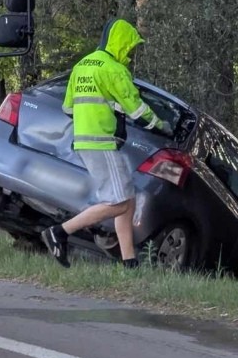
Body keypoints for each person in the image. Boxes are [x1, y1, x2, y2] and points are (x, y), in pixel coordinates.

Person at [42, 19, 173, 268]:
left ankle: (129, 261)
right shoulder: (114, 69)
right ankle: (59, 232)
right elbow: (138, 111)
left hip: (85, 139)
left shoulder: (82, 65)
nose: (131, 55)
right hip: (101, 142)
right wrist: (161, 126)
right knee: (118, 203)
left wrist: (102, 112)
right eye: (130, 48)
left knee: (128, 199)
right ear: (121, 42)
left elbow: (68, 107)